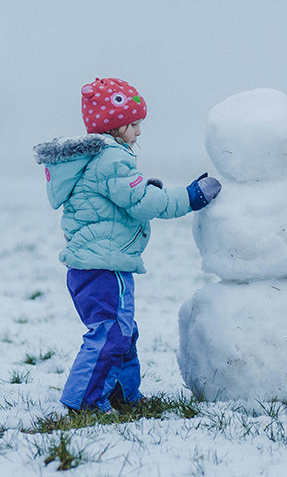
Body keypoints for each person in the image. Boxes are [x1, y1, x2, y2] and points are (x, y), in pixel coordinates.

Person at [34, 78, 221, 413]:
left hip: (93, 266)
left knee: (123, 333)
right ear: (114, 126)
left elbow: (121, 196)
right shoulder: (111, 159)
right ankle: (84, 401)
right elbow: (143, 203)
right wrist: (190, 197)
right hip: (104, 267)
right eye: (133, 124)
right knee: (109, 333)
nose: (139, 132)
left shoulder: (98, 159)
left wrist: (144, 187)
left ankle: (120, 393)